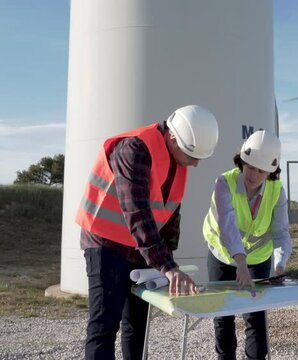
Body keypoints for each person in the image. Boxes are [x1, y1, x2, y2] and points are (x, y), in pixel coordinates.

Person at [75, 105, 220, 360]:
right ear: (173, 136)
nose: (196, 163)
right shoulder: (134, 149)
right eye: (192, 154)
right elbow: (138, 212)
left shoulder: (179, 160)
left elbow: (170, 214)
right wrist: (167, 266)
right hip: (105, 243)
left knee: (137, 326)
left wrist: (168, 265)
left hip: (139, 249)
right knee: (104, 327)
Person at [202, 129, 292, 360]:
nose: (253, 174)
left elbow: (281, 232)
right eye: (250, 166)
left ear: (271, 171)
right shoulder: (224, 182)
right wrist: (239, 262)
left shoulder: (277, 191)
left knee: (255, 315)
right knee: (223, 314)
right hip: (222, 255)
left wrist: (280, 265)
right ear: (241, 160)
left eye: (261, 171)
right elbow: (228, 226)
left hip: (259, 258)